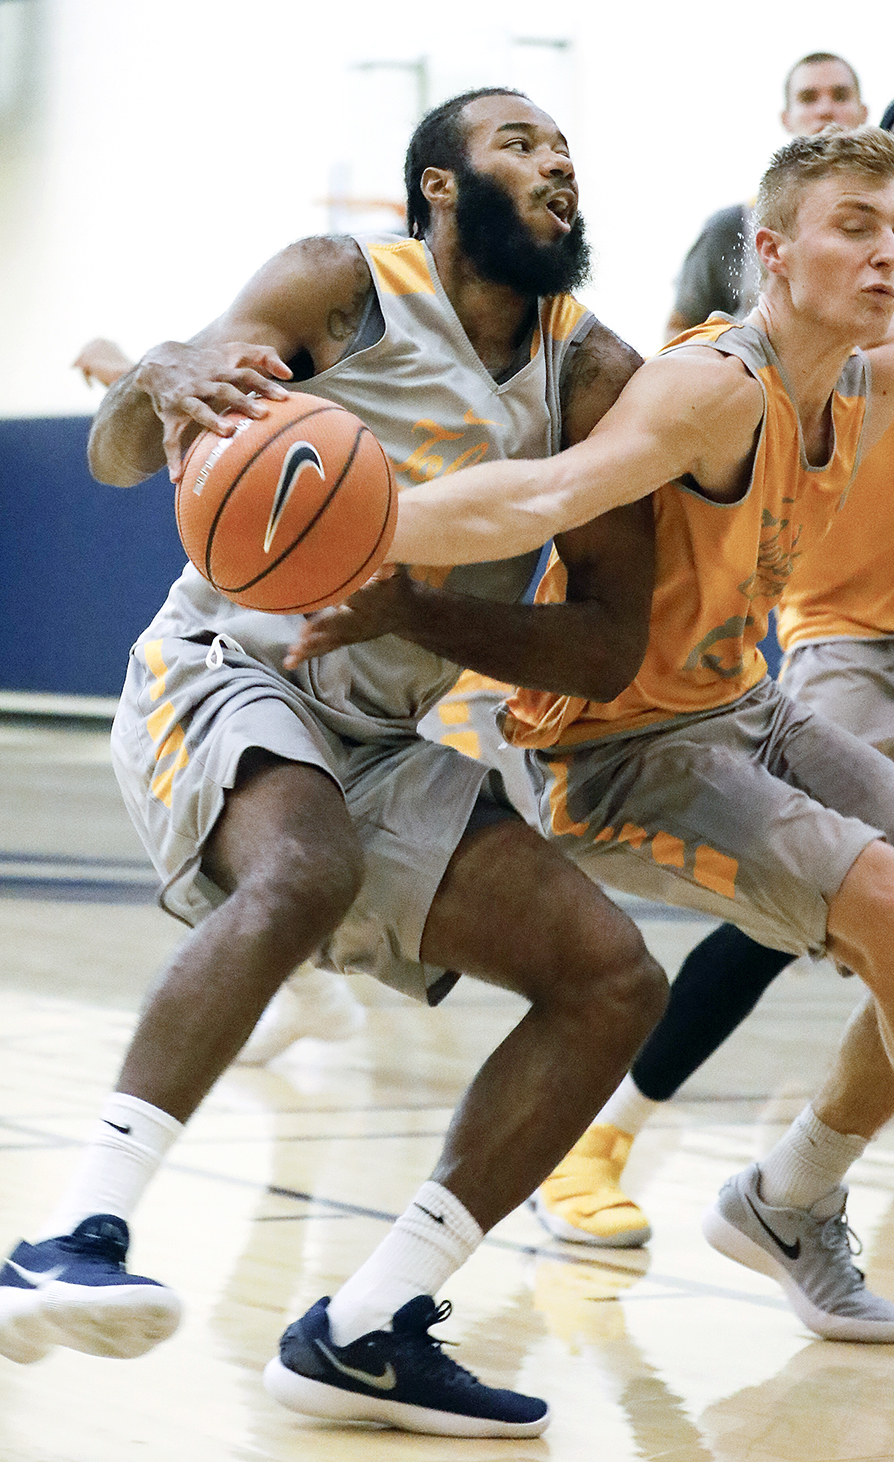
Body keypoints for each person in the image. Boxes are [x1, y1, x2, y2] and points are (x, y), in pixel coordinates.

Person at [329, 121, 894, 1349]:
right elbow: (543, 495)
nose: (888, 253)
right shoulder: (711, 387)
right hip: (615, 750)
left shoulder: (876, 364)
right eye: (854, 227)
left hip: (741, 702)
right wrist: (365, 525)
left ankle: (785, 1199)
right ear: (772, 251)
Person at [0, 88, 671, 1441]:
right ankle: (70, 1235)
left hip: (382, 725)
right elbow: (124, 455)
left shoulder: (596, 377)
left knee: (612, 979)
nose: (555, 163)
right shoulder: (339, 285)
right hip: (228, 663)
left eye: (564, 149)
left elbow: (606, 648)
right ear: (439, 185)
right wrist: (161, 374)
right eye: (519, 143)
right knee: (304, 868)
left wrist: (415, 608)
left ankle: (367, 1328)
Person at [526, 81, 894, 1259]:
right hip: (852, 637)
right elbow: (568, 487)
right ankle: (604, 1133)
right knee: (810, 904)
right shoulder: (810, 346)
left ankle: (794, 1189)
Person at [73, 337, 370, 1065]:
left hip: (398, 669)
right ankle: (315, 996)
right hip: (265, 651)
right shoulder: (287, 372)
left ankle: (319, 994)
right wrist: (124, 368)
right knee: (251, 842)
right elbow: (190, 400)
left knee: (311, 860)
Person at [665, 52, 867, 338]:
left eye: (840, 96)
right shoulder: (733, 227)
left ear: (863, 113)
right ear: (787, 119)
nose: (825, 110)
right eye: (808, 98)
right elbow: (679, 330)